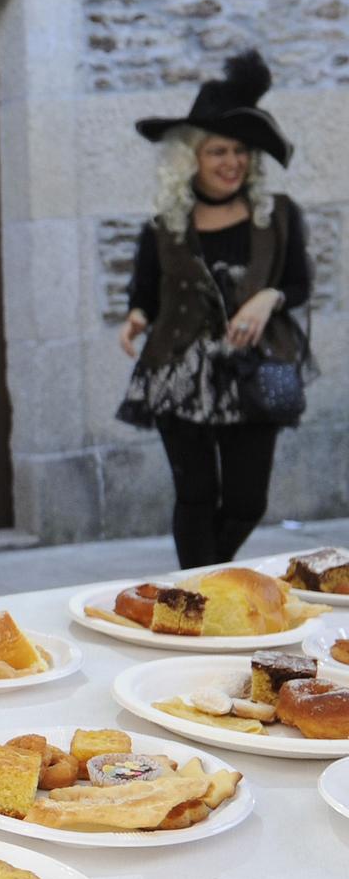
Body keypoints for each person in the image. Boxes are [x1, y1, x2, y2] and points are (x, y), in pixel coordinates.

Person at [117, 50, 309, 568]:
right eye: (218, 151)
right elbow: (147, 290)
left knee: (248, 501)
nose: (232, 163)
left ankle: (199, 585)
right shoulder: (165, 227)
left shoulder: (280, 217)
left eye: (241, 151)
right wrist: (137, 315)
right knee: (196, 498)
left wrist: (269, 297)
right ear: (191, 159)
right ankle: (200, 597)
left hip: (253, 370)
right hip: (178, 371)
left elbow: (299, 283)